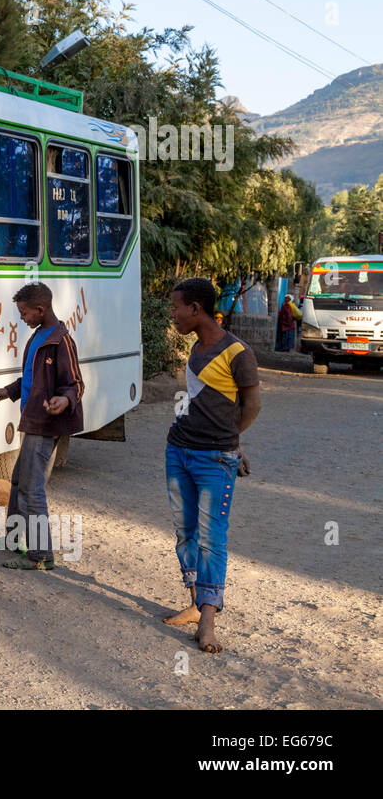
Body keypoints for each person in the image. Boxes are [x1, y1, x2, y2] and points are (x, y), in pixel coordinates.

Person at [162, 278, 262, 654]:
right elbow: (198, 400)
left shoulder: (238, 352)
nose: (172, 315)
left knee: (211, 536)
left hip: (214, 457)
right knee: (185, 530)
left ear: (195, 309)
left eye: (176, 308)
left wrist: (230, 443)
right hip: (179, 450)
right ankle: (195, 601)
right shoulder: (196, 348)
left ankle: (208, 620)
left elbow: (251, 406)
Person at [0, 282, 84, 570]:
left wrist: (64, 401)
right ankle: (14, 540)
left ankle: (41, 556)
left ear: (41, 309)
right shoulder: (39, 336)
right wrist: (9, 390)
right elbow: (30, 379)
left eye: (25, 313)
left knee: (31, 488)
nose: (22, 318)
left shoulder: (61, 341)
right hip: (33, 421)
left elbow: (75, 384)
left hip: (46, 425)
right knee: (18, 481)